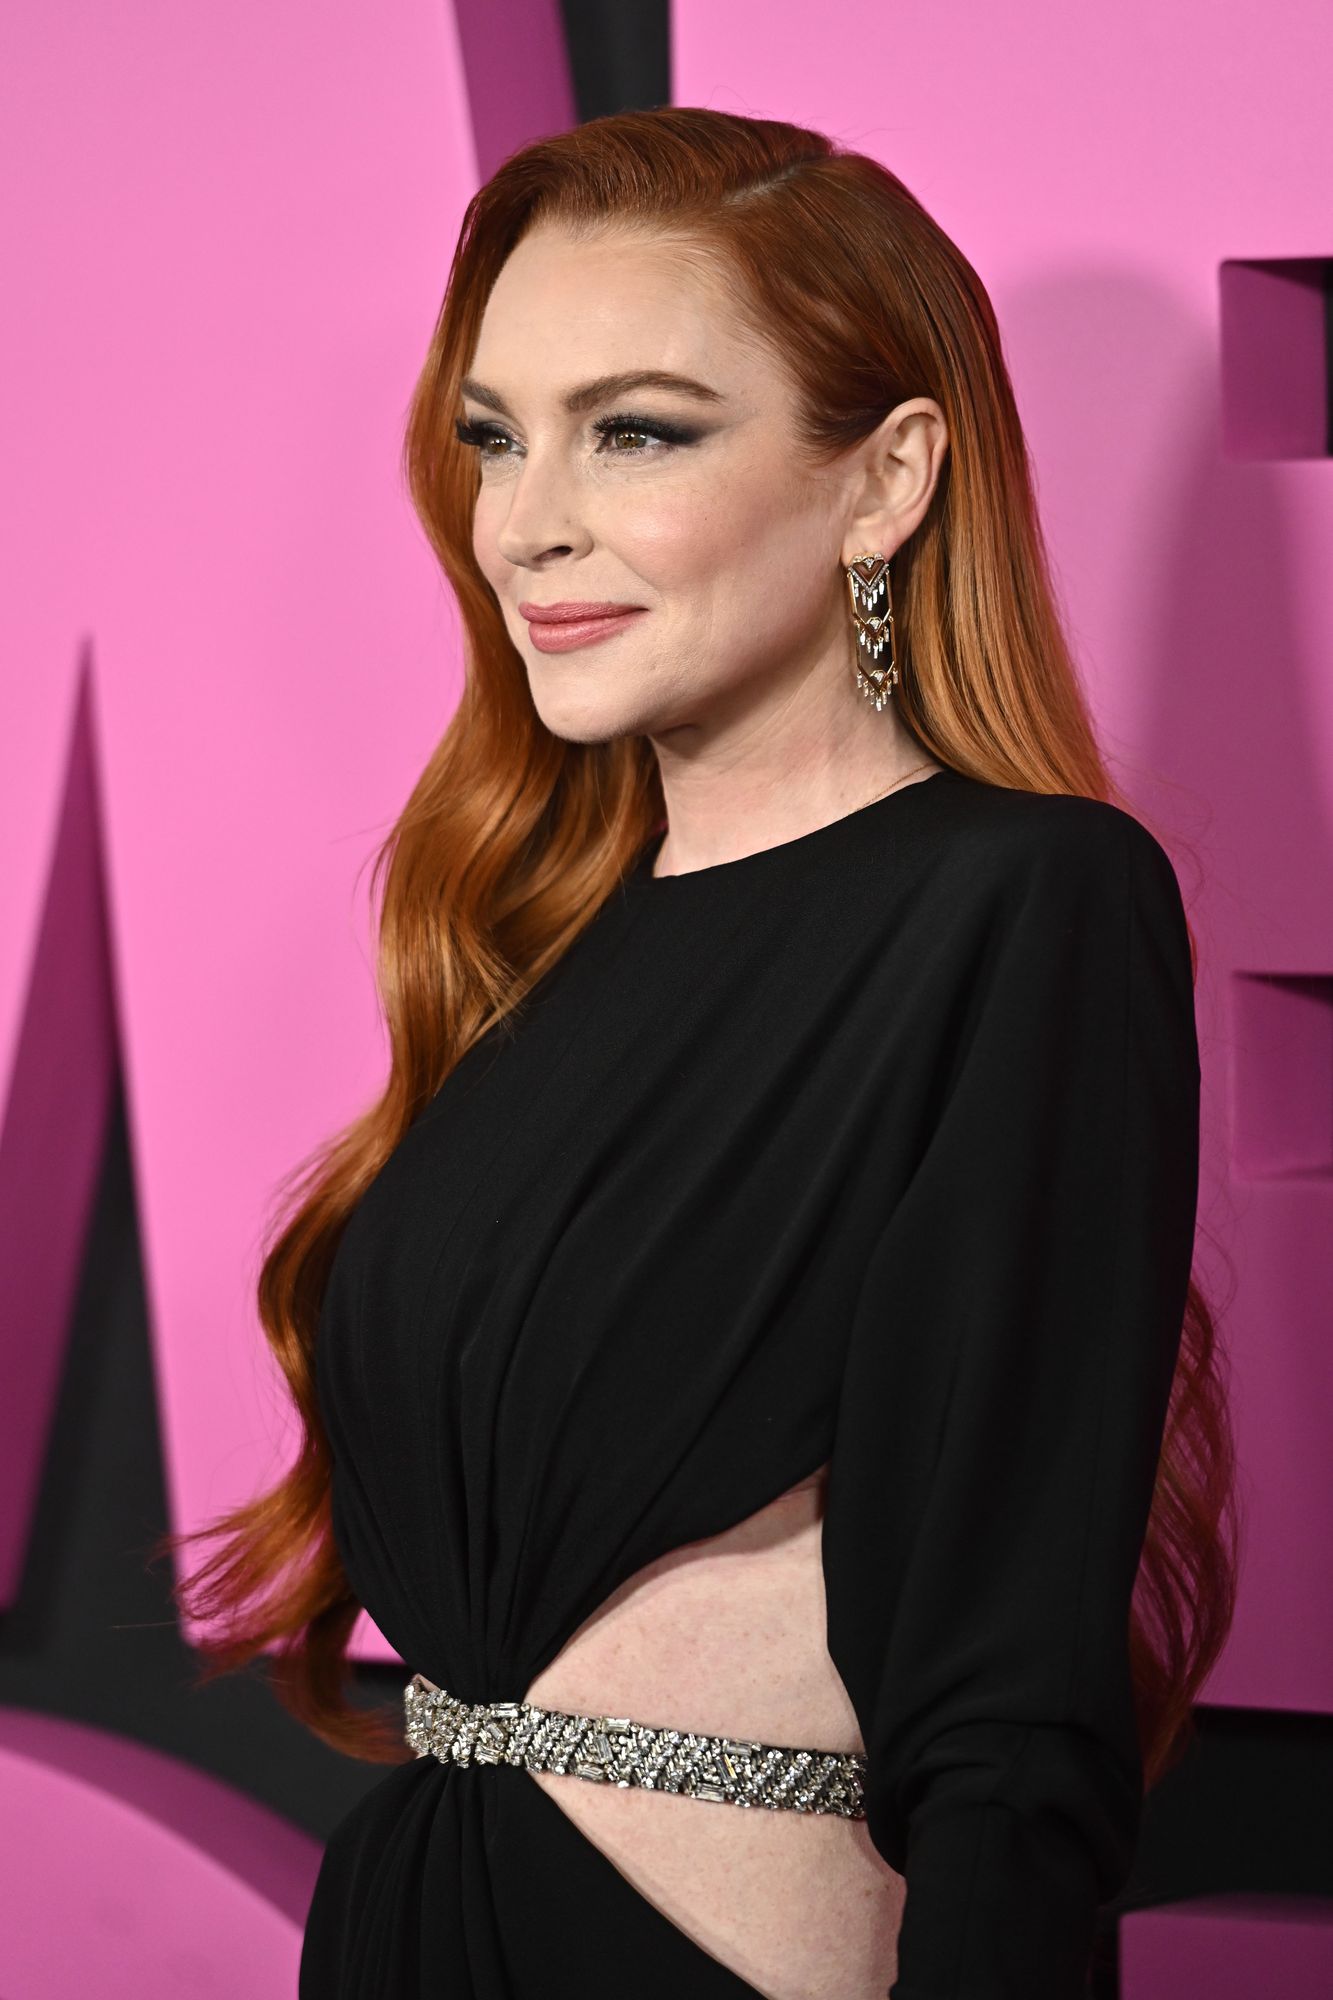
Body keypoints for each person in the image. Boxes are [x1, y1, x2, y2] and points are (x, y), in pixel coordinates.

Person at [162, 107, 1238, 1998]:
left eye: (636, 432)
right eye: (495, 436)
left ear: (885, 478)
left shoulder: (1026, 901)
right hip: (418, 1924)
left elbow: (1008, 1696)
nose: (525, 522)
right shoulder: (531, 945)